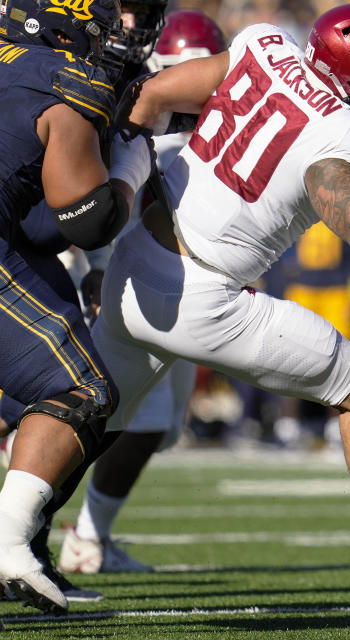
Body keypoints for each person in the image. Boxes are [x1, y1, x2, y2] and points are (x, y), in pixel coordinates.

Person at [88, 3, 350, 615]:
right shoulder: (347, 131)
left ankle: (16, 538)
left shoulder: (262, 46)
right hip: (205, 289)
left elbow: (149, 96)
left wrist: (129, 178)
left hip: (137, 254)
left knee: (81, 412)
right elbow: (344, 206)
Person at [0, 0, 156, 614]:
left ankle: (25, 543)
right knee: (82, 389)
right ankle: (10, 543)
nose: (130, 29)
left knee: (39, 389)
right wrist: (130, 166)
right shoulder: (64, 81)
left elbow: (36, 226)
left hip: (14, 245)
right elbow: (87, 219)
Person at [59, 9, 225, 577]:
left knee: (157, 424)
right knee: (101, 414)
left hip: (175, 280)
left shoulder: (210, 122)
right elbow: (86, 198)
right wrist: (90, 268)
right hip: (122, 277)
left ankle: (86, 536)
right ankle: (51, 530)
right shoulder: (131, 104)